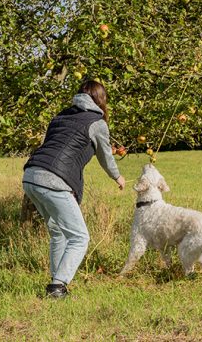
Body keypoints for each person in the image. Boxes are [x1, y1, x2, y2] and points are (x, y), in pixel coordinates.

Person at [22, 80, 126, 299]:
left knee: (58, 232)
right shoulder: (97, 122)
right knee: (80, 237)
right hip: (54, 180)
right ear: (101, 99)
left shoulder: (60, 117)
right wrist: (117, 176)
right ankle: (58, 287)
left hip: (31, 175)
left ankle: (55, 281)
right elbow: (105, 156)